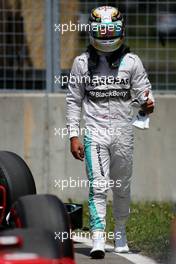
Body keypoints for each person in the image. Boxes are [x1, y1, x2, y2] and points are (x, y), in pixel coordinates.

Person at [66, 5, 154, 259]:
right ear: (92, 32)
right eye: (100, 31)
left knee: (122, 187)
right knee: (98, 186)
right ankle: (97, 237)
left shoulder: (132, 62)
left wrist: (148, 104)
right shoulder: (81, 63)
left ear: (121, 31)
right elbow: (73, 100)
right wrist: (73, 135)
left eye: (110, 30)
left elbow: (144, 94)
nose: (105, 36)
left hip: (123, 133)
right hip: (95, 133)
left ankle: (121, 233)